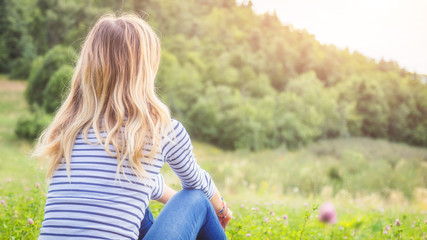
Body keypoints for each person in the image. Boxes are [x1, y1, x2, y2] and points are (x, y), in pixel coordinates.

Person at [32, 13, 232, 240]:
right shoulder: (161, 128)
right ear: (145, 69)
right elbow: (197, 182)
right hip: (198, 195)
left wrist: (171, 201)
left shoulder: (69, 129)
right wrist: (221, 209)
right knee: (195, 198)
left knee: (142, 210)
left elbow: (137, 182)